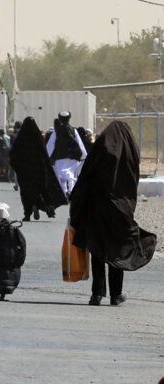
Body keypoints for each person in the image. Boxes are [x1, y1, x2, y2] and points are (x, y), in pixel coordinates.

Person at [69, 121, 157, 306]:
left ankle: (97, 294)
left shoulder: (99, 151)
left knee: (98, 248)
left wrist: (77, 205)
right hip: (121, 207)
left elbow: (85, 177)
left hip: (96, 206)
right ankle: (116, 294)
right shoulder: (128, 153)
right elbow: (132, 179)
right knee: (118, 248)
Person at [9, 117, 67, 221]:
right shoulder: (38, 138)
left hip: (25, 172)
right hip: (39, 170)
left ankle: (27, 214)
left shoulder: (20, 139)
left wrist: (18, 168)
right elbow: (45, 153)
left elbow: (13, 155)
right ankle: (48, 207)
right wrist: (47, 167)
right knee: (43, 189)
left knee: (26, 192)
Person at [46, 111, 87, 199]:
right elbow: (79, 143)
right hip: (74, 157)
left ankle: (64, 194)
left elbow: (50, 145)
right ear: (69, 119)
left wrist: (46, 156)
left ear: (60, 119)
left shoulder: (56, 131)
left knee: (62, 178)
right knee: (72, 175)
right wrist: (83, 155)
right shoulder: (74, 130)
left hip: (60, 158)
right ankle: (71, 190)